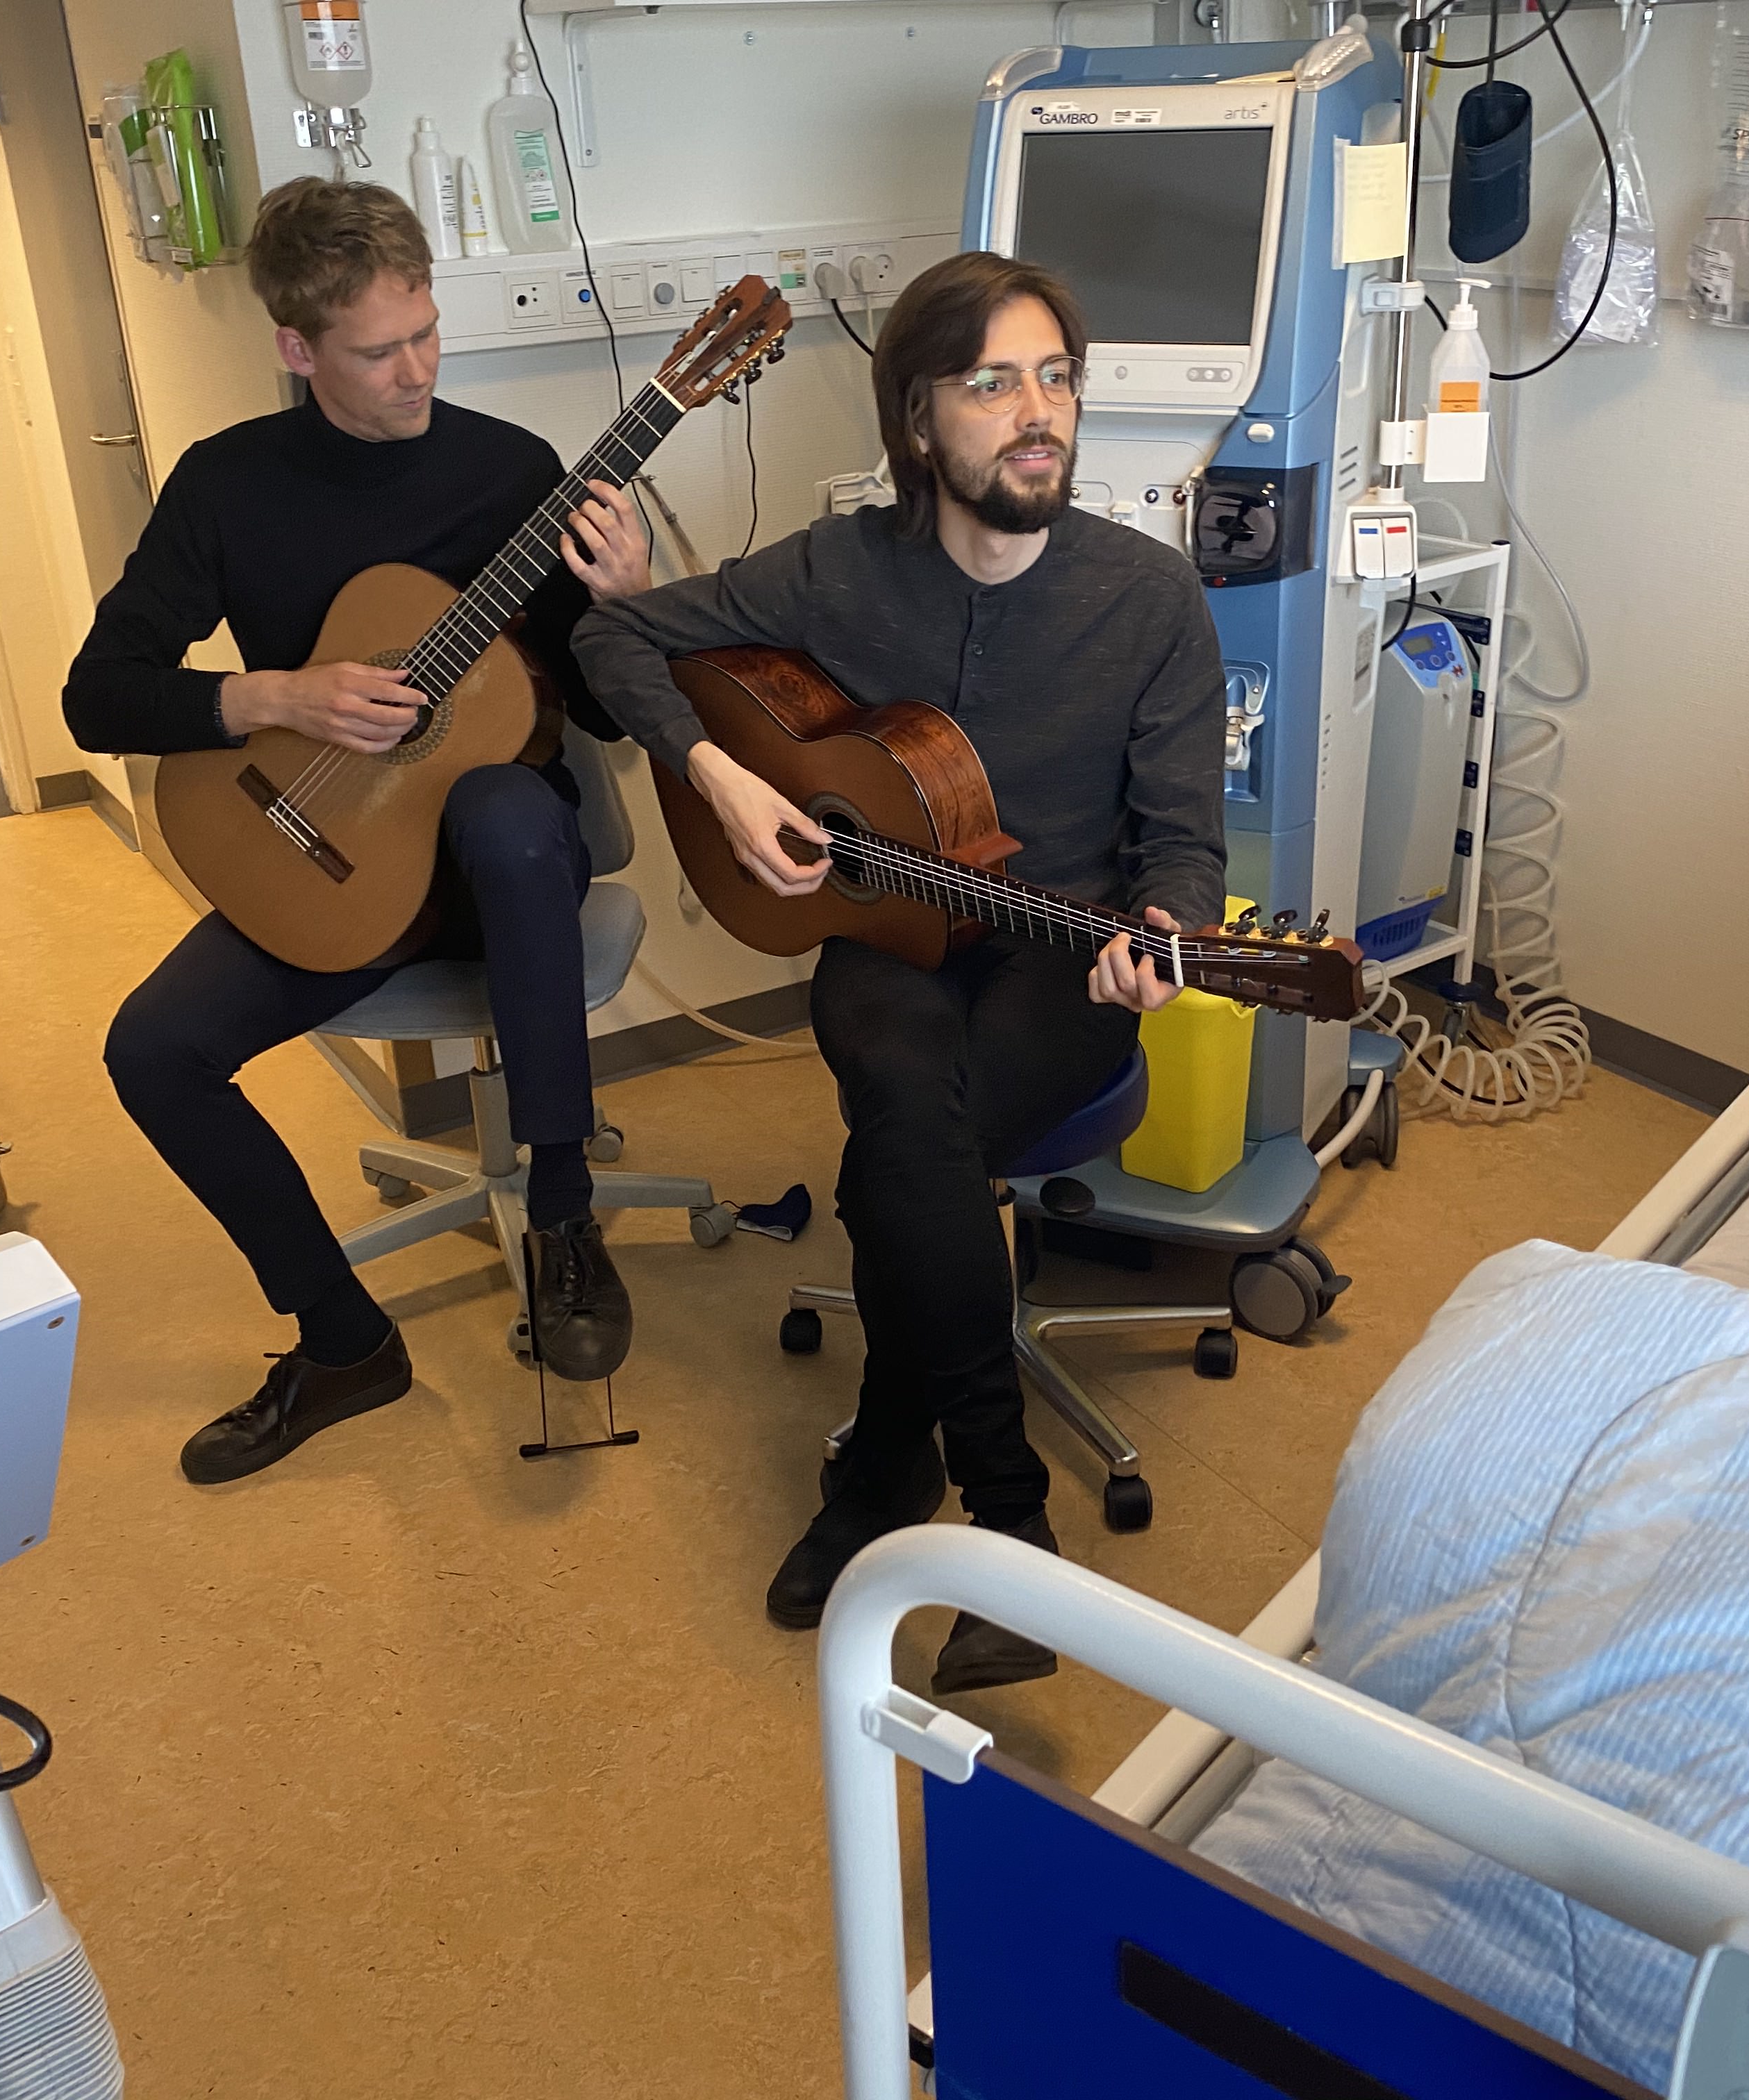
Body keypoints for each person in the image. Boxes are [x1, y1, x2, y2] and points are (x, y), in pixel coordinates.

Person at [574, 251, 1227, 1690]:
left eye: (1056, 376)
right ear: (919, 423)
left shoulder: (1152, 600)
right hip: (883, 934)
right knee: (893, 1086)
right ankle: (1011, 1524)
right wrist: (724, 782)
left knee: (893, 1169)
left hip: (1063, 962)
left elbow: (1185, 851)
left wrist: (1161, 939)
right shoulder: (839, 572)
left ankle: (892, 1470)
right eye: (991, 383)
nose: (1036, 411)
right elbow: (613, 634)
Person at [65, 179, 650, 1485]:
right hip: (345, 851)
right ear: (297, 349)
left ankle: (565, 1220)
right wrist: (273, 695)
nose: (417, 371)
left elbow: (606, 713)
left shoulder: (509, 472)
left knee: (501, 807)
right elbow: (97, 692)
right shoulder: (227, 486)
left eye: (427, 333)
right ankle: (343, 1342)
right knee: (151, 1051)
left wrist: (628, 606)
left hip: (510, 859)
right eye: (379, 351)